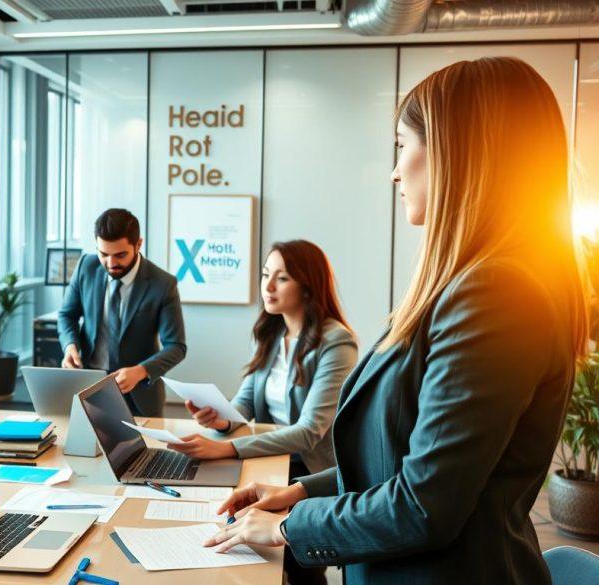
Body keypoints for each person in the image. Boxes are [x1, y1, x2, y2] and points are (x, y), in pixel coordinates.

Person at [202, 57, 590, 584]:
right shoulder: (467, 285)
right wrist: (299, 492)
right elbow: (404, 459)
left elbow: (425, 503)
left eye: (401, 147)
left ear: (457, 155)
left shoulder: (496, 293)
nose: (393, 170)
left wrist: (290, 526)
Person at [171, 239, 357, 585]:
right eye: (266, 274)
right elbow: (246, 405)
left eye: (282, 278)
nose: (268, 286)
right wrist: (222, 420)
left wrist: (227, 445)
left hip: (310, 468)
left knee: (276, 554)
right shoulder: (270, 333)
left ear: (308, 286)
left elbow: (309, 431)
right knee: (224, 516)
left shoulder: (336, 342)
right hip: (271, 459)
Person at [58, 208, 187, 417]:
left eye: (120, 255)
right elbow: (66, 315)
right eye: (104, 254)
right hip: (87, 386)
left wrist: (141, 370)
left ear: (138, 244)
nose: (111, 263)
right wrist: (70, 346)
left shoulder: (163, 284)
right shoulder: (86, 267)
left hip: (140, 396)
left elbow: (176, 347)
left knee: (143, 450)